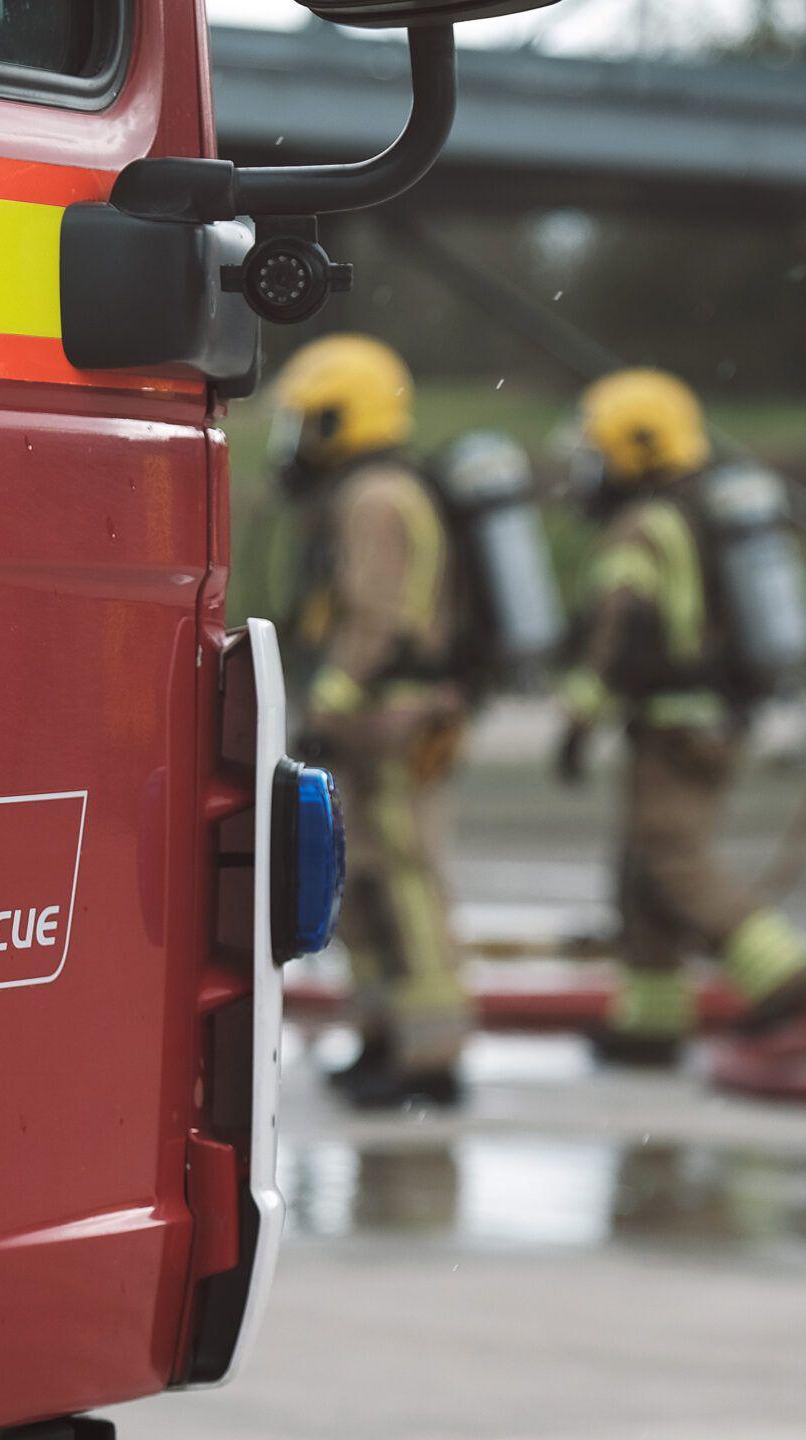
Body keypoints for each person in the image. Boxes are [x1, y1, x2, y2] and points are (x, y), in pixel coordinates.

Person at [554, 369, 806, 1065]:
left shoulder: (644, 524)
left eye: (601, 452)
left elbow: (621, 623)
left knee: (674, 861)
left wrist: (580, 716)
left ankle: (782, 972)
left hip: (676, 725)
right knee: (642, 871)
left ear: (638, 449)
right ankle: (650, 1022)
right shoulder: (700, 509)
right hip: (708, 719)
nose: (592, 470)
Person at [270, 334, 475, 1109]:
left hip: (393, 722)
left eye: (309, 422)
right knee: (366, 888)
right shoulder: (374, 491)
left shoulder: (375, 498)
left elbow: (375, 618)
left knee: (406, 885)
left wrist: (330, 705)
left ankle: (432, 1056)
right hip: (383, 722)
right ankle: (386, 1037)